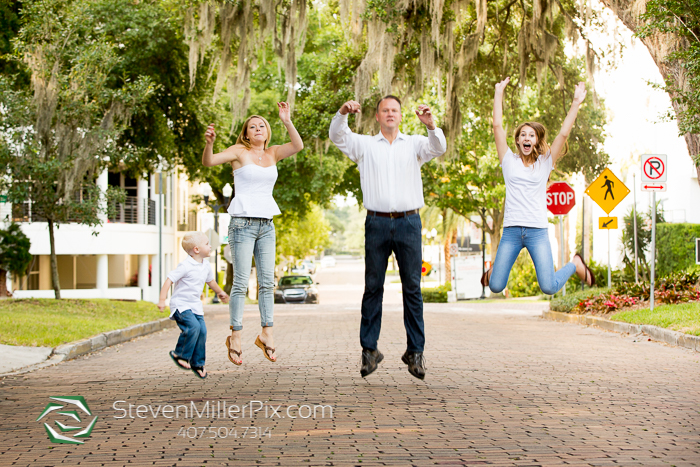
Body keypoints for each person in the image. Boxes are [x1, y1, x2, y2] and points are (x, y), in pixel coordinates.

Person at [329, 96, 447, 380]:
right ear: (378, 116)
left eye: (394, 110)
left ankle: (415, 352)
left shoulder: (415, 144)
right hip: (377, 222)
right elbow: (337, 136)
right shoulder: (365, 145)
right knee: (373, 287)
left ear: (401, 115)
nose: (390, 113)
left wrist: (431, 125)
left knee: (413, 289)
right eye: (385, 110)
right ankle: (369, 350)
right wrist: (343, 112)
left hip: (409, 222)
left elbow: (438, 147)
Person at [202, 102, 303, 365]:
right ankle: (235, 336)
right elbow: (209, 161)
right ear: (246, 134)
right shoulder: (238, 152)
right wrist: (210, 143)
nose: (257, 129)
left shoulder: (273, 153)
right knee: (240, 284)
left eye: (262, 126)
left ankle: (266, 334)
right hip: (242, 225)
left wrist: (286, 120)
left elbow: (298, 146)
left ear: (267, 132)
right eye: (252, 127)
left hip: (267, 225)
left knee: (267, 283)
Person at [482, 77, 595, 295]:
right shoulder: (508, 160)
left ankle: (575, 264)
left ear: (536, 140)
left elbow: (563, 133)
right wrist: (498, 93)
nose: (526, 138)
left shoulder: (545, 163)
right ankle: (497, 269)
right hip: (512, 231)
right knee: (495, 285)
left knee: (549, 287)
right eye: (523, 135)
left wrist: (575, 103)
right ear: (517, 141)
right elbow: (497, 125)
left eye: (531, 135)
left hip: (537, 231)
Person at [158, 232, 229, 379]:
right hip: (181, 305)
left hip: (195, 306)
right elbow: (169, 280)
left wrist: (220, 292)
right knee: (193, 328)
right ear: (196, 249)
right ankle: (180, 355)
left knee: (202, 331)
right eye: (207, 244)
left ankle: (197, 364)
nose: (210, 246)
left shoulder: (206, 266)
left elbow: (211, 282)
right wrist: (162, 299)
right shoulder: (185, 266)